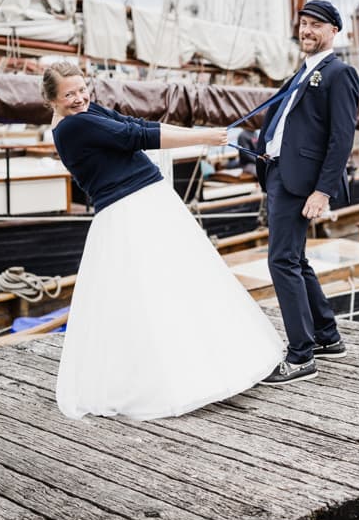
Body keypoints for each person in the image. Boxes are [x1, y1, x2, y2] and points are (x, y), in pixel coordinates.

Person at [43, 62, 283, 419]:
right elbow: (135, 138)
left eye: (82, 89)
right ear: (52, 100)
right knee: (163, 291)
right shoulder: (74, 126)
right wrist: (202, 136)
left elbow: (135, 125)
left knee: (180, 285)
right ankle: (183, 376)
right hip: (131, 210)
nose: (79, 98)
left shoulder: (87, 112)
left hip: (144, 202)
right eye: (69, 95)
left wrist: (197, 131)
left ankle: (205, 364)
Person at [255, 0, 359, 385]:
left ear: (334, 31)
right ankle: (327, 338)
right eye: (303, 23)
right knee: (295, 260)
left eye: (316, 24)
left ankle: (301, 356)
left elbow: (341, 138)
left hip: (302, 181)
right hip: (281, 173)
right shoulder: (302, 72)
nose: (307, 30)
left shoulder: (338, 73)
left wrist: (323, 191)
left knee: (281, 261)